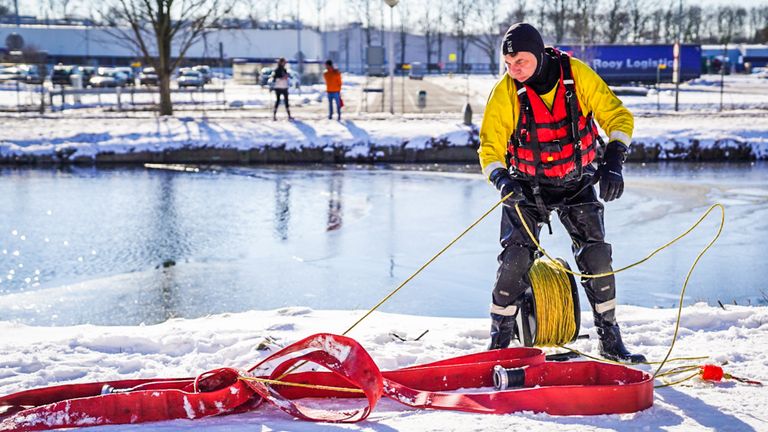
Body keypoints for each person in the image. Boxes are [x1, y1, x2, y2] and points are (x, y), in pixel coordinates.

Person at [478, 23, 645, 363]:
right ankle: (499, 344)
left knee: (597, 260)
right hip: (525, 188)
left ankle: (610, 339)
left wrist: (614, 160)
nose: (514, 70)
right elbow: (489, 148)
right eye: (508, 63)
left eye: (520, 61)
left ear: (538, 55)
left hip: (576, 183)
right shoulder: (505, 92)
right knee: (513, 262)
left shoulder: (577, 76)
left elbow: (618, 116)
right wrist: (501, 181)